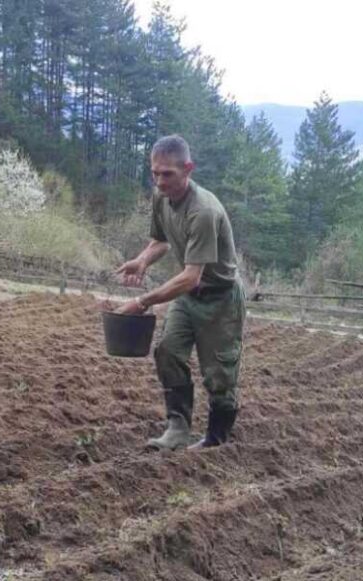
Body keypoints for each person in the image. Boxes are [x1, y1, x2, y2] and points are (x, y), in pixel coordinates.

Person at [115, 134, 246, 450]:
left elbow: (190, 277)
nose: (160, 182)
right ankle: (177, 429)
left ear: (188, 169)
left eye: (167, 174)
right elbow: (160, 241)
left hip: (220, 298)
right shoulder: (161, 197)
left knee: (219, 374)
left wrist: (142, 302)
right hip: (190, 296)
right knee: (168, 352)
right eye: (155, 173)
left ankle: (216, 440)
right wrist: (142, 260)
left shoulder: (203, 211)